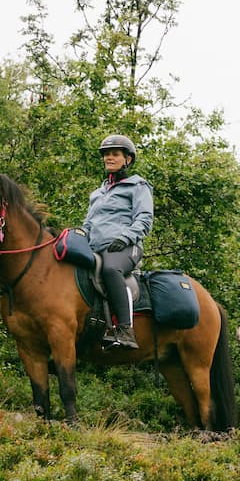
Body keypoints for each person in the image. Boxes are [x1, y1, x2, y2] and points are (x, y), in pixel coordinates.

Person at [83, 134, 154, 349]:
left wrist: (125, 238)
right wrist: (78, 234)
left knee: (110, 269)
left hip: (125, 248)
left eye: (115, 154)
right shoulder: (98, 193)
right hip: (96, 248)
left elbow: (145, 218)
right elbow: (89, 223)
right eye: (106, 154)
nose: (109, 158)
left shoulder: (137, 186)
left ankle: (125, 331)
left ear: (128, 160)